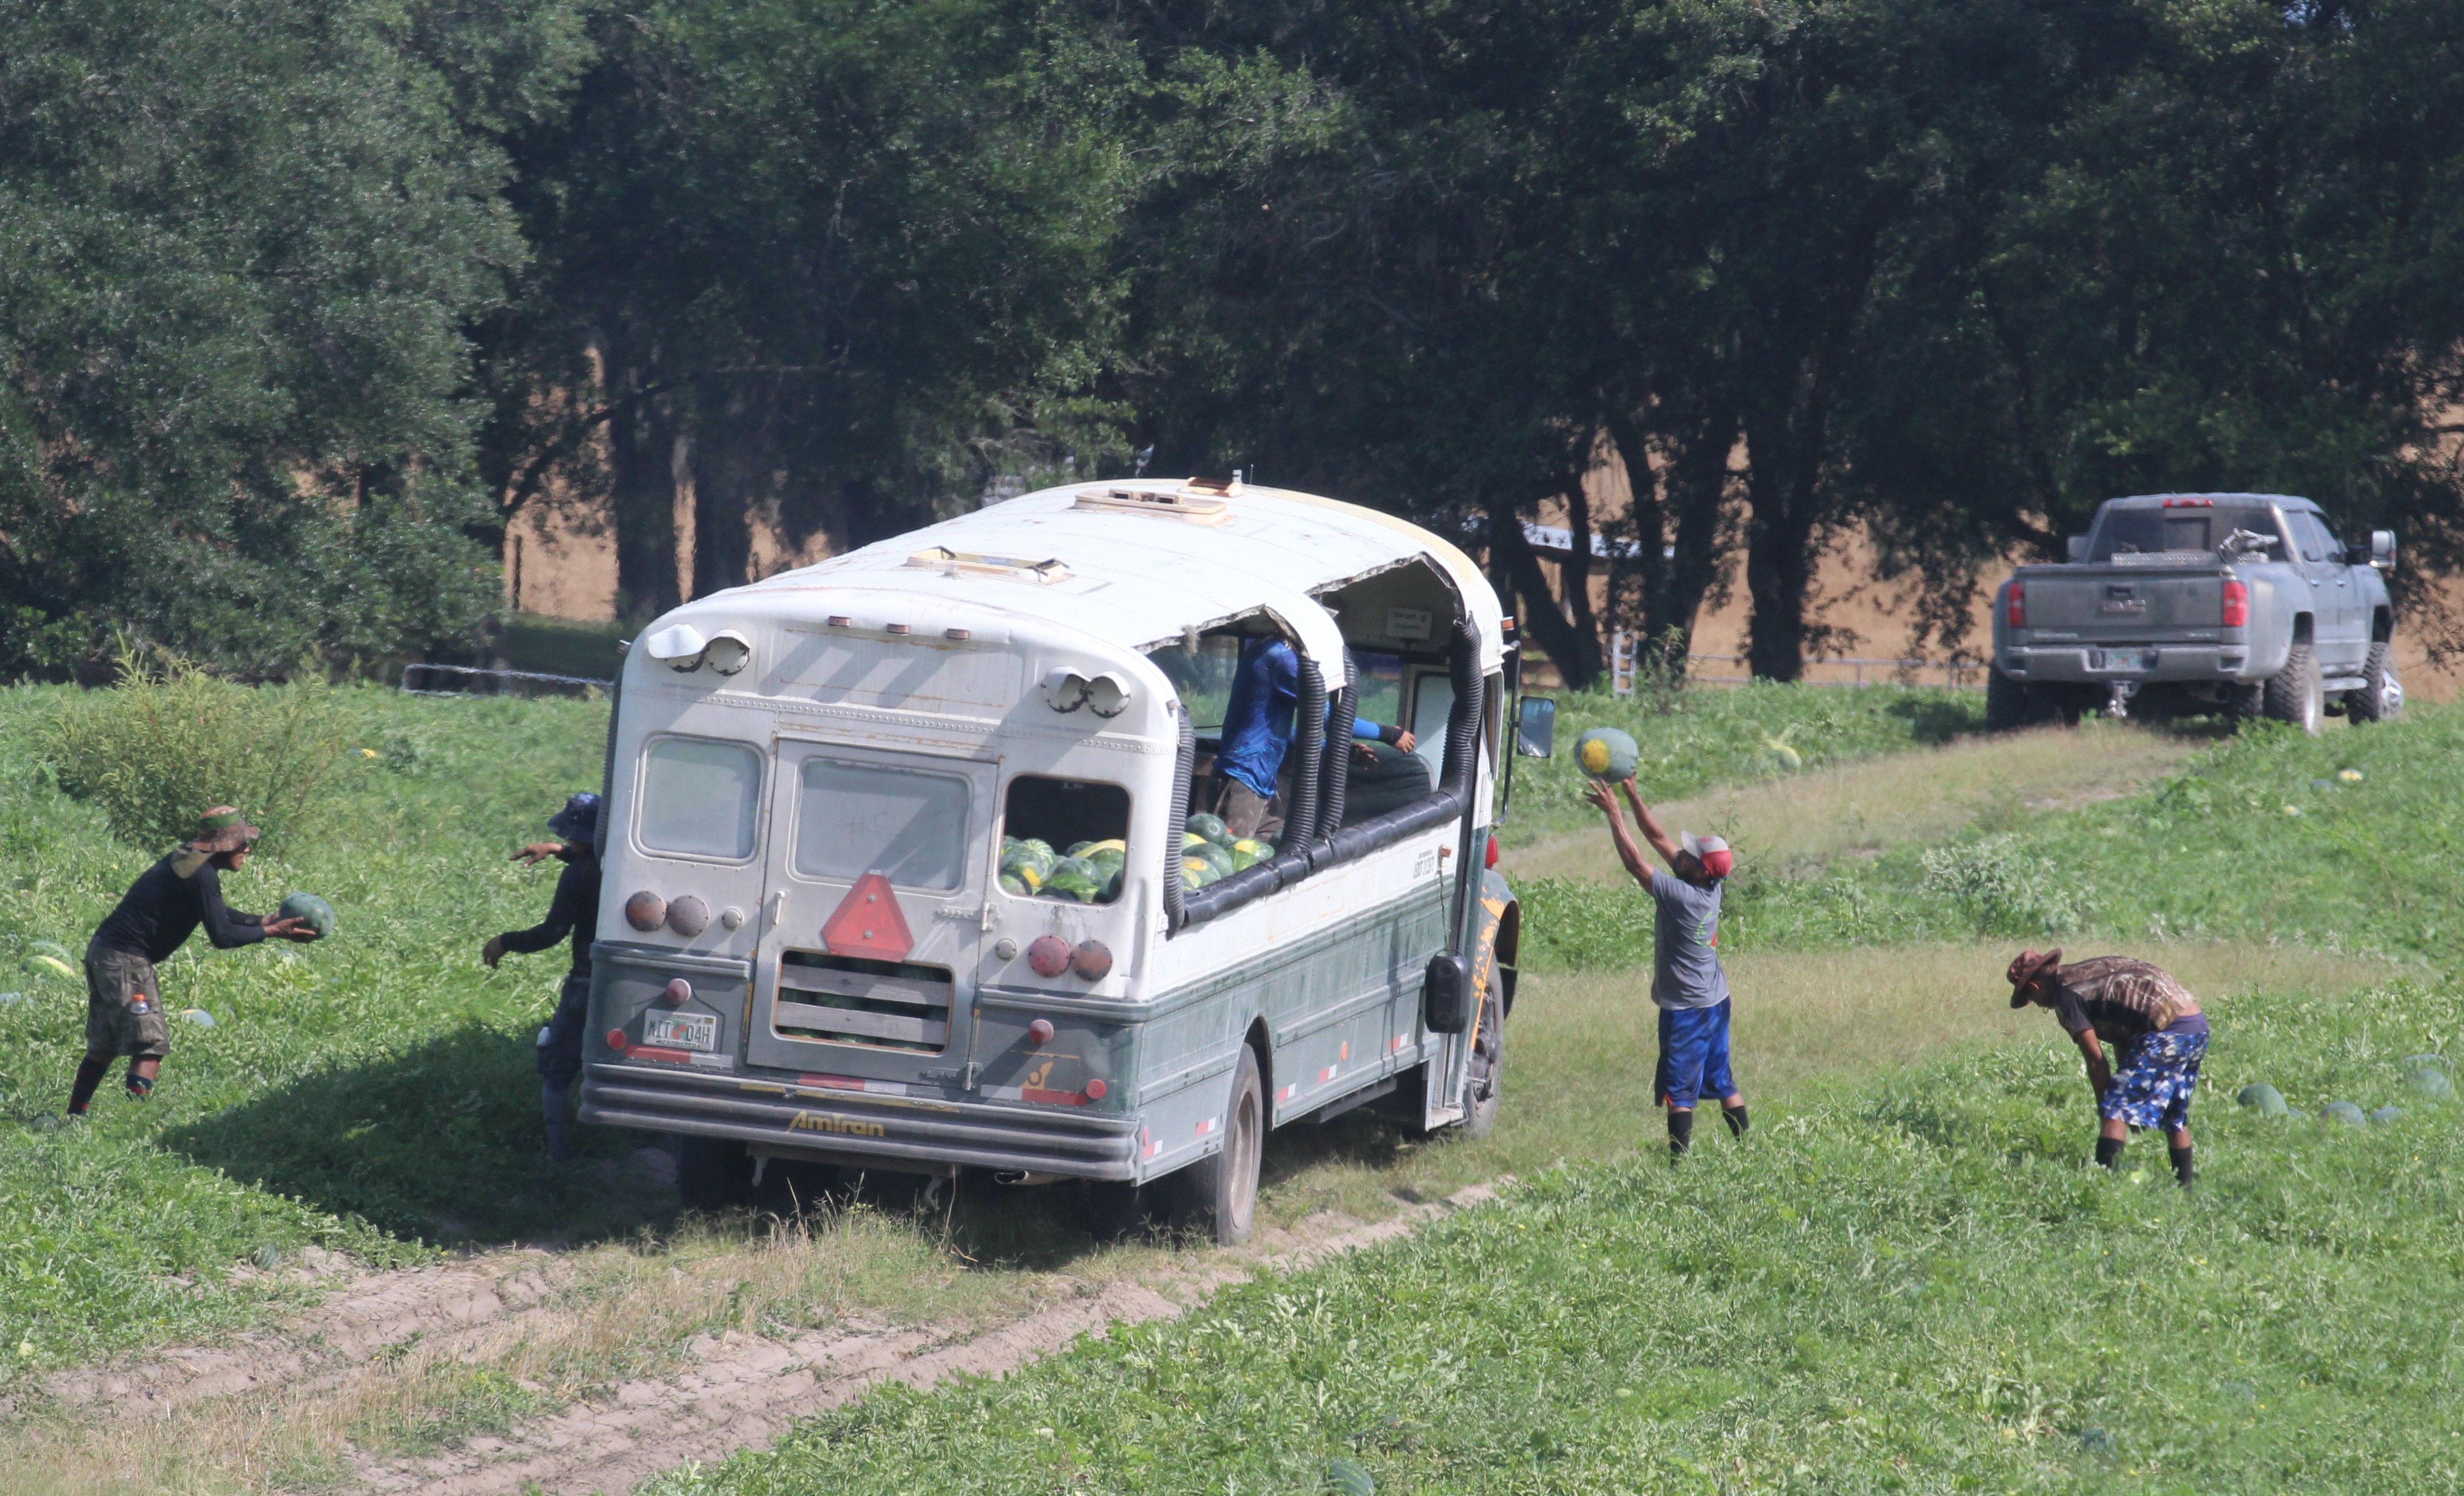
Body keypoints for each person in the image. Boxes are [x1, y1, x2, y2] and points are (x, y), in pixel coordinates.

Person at [68, 806, 320, 1116]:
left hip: (105, 953)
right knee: (151, 1045)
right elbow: (223, 935)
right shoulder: (202, 876)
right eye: (242, 843)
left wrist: (264, 921)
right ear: (225, 845)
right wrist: (271, 931)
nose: (247, 849)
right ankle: (135, 1119)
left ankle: (74, 1117)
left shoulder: (191, 861)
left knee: (105, 1046)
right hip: (126, 961)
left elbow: (216, 912)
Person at [1584, 776, 1745, 1158]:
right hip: (1715, 999)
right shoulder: (1710, 883)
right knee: (1721, 1080)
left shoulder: (1682, 896)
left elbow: (1634, 862)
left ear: (1701, 871)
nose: (1681, 855)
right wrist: (1632, 794)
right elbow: (1656, 837)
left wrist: (1613, 815)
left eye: (1688, 856)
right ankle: (1746, 1150)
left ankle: (1678, 1167)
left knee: (1679, 1090)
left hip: (1687, 1010)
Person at [2007, 949, 2206, 1187]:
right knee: (2174, 1115)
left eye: (2033, 1001)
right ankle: (2185, 1190)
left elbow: (2095, 1060)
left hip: (2167, 1033)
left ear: (2035, 988)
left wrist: (2109, 1107)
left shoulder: (2067, 996)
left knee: (2114, 1109)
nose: (2040, 1006)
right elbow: (2125, 1037)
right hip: (2196, 1026)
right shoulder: (2089, 972)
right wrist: (2129, 1092)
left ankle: (2103, 1190)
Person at [484, 792, 603, 1161]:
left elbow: (552, 933)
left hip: (587, 980)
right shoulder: (621, 863)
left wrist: (506, 941)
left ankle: (557, 1159)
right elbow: (591, 857)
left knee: (557, 1069)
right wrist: (556, 850)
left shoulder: (577, 876)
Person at [1211, 635, 1413, 839]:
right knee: (1234, 852)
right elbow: (1325, 715)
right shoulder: (1280, 658)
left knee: (1279, 848)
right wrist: (1388, 734)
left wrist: (1336, 748)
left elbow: (1282, 733)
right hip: (1245, 777)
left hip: (1262, 782)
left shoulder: (1269, 651)